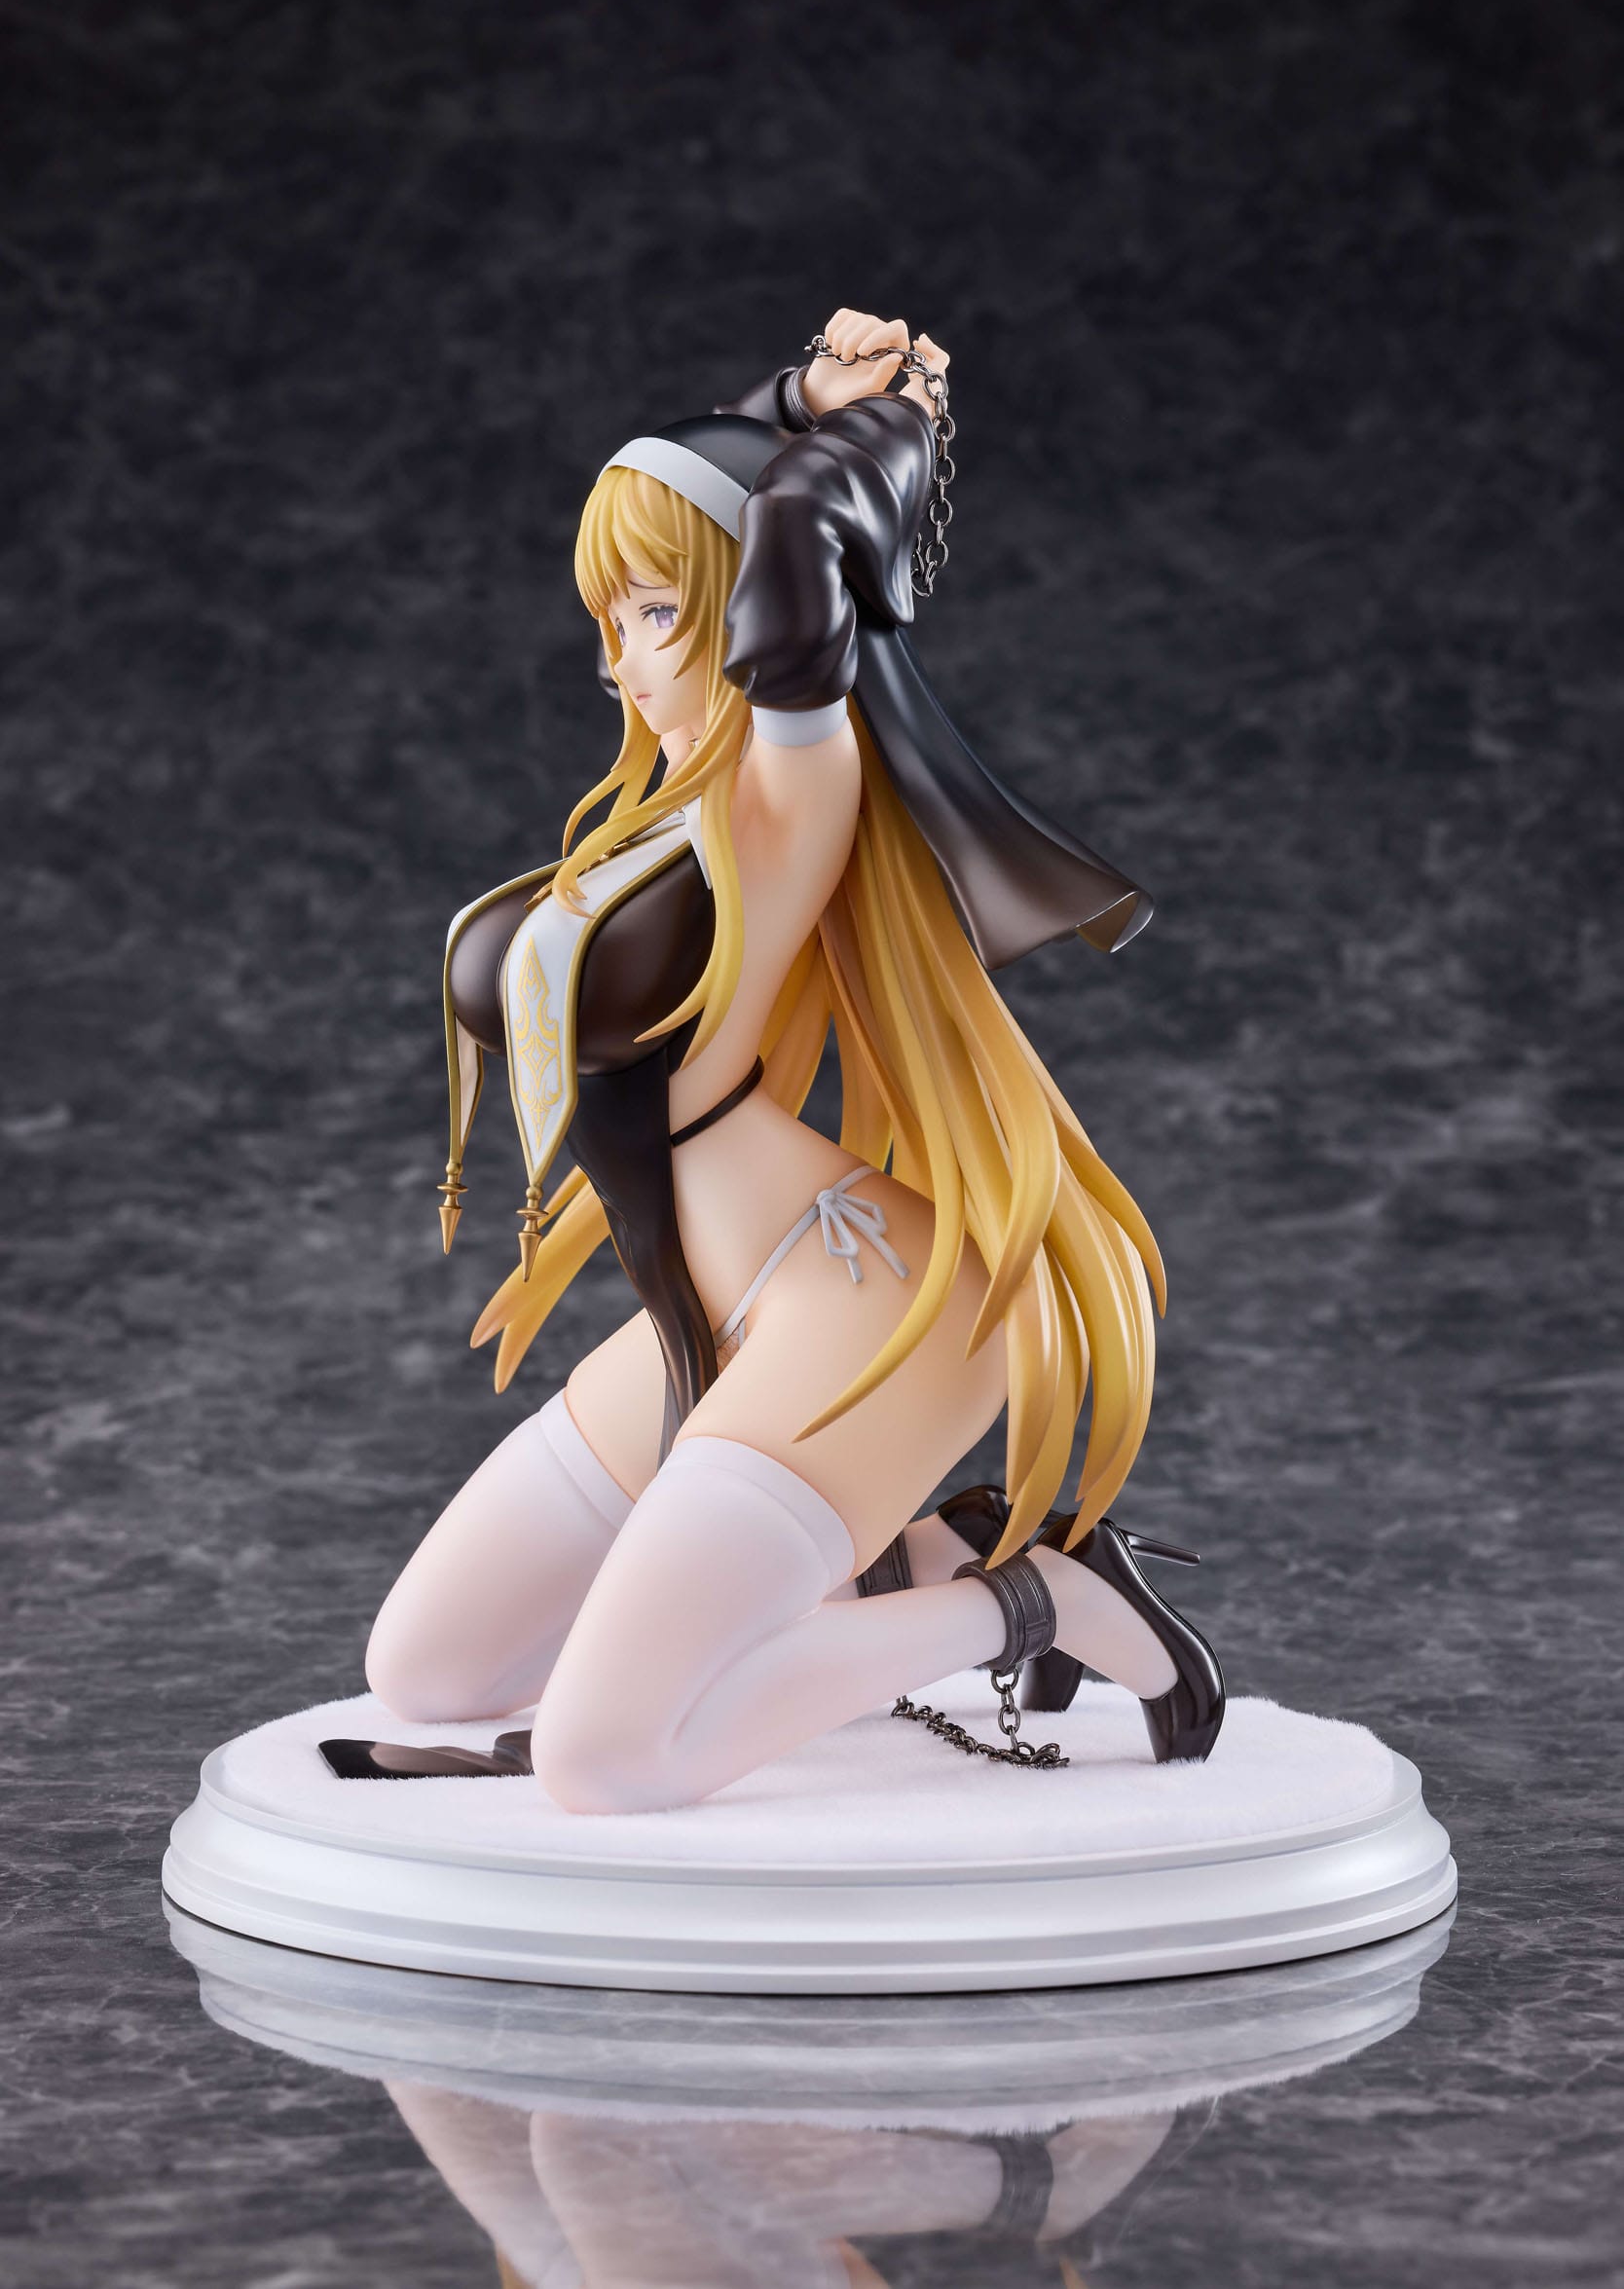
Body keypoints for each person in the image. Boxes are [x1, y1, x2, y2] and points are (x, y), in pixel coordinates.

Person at [354, 309, 1223, 1814]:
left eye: (656, 612)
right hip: (709, 1304)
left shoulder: (790, 788)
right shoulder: (662, 816)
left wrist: (880, 426)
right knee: (428, 1672)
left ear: (747, 605)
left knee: (605, 1759)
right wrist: (801, 390)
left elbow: (800, 569)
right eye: (607, 619)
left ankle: (1045, 1601)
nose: (620, 661)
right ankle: (919, 1548)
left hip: (862, 1297)